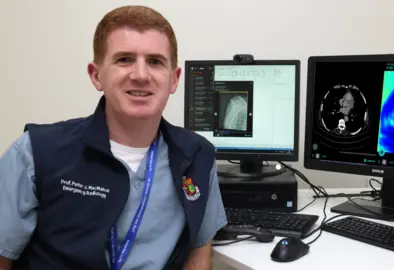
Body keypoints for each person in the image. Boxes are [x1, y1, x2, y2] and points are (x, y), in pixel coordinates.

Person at [0, 5, 227, 270]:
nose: (141, 75)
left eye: (155, 61)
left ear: (174, 79)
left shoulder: (198, 156)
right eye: (124, 59)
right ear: (96, 75)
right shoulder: (35, 153)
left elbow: (200, 250)